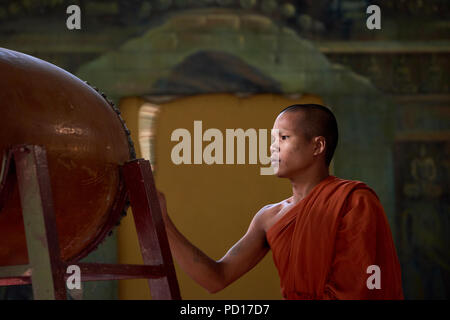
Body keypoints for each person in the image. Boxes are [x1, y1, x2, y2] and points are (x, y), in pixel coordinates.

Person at [157, 104, 404, 300]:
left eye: (283, 138)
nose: (273, 148)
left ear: (317, 145)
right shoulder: (269, 217)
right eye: (273, 141)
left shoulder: (354, 202)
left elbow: (365, 288)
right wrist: (164, 222)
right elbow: (215, 278)